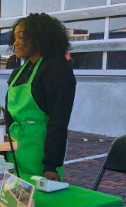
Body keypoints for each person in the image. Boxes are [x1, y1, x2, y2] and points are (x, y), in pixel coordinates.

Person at [6, 13, 76, 180]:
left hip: (39, 156)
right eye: (14, 37)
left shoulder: (57, 69)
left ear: (40, 37)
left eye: (21, 37)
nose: (15, 43)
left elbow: (59, 120)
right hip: (14, 150)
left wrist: (51, 165)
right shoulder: (19, 71)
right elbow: (9, 114)